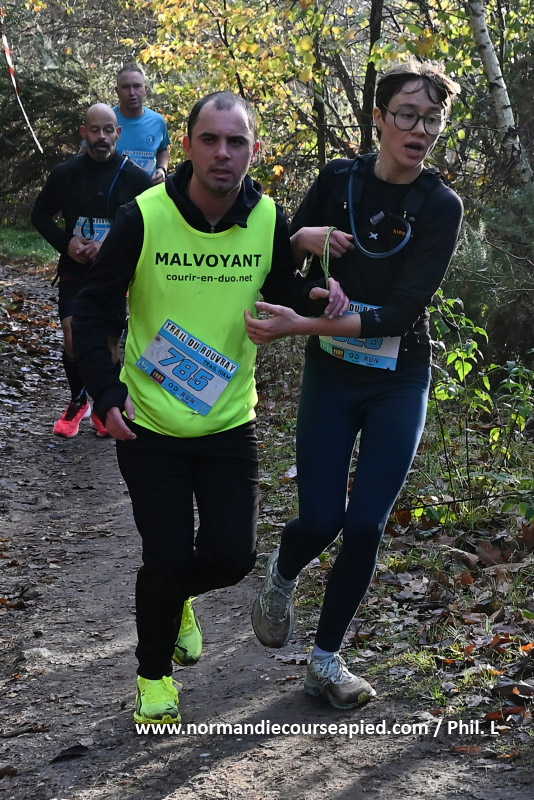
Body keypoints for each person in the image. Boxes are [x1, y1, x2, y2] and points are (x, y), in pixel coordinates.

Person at [71, 91, 345, 726]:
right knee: (167, 557)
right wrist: (106, 394)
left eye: (237, 141)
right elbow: (94, 309)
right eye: (211, 139)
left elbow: (279, 289)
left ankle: (176, 598)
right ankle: (153, 678)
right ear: (188, 146)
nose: (224, 153)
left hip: (229, 422)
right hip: (149, 424)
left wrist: (317, 293)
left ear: (255, 150)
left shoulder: (268, 218)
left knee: (232, 558)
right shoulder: (144, 215)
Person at [248, 59, 463, 710]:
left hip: (400, 376)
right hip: (334, 376)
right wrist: (300, 241)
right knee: (321, 519)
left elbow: (400, 313)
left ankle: (325, 660)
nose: (419, 130)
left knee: (366, 524)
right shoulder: (338, 181)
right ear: (378, 118)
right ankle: (284, 570)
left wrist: (305, 324)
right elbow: (278, 274)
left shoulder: (441, 206)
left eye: (432, 119)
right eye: (407, 115)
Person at [31, 103, 153, 439]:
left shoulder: (136, 178)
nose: (102, 137)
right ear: (84, 133)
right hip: (75, 269)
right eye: (95, 130)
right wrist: (67, 243)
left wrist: (111, 247)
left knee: (110, 345)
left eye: (108, 130)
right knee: (73, 336)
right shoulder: (66, 173)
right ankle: (78, 400)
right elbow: (40, 215)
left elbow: (153, 225)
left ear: (118, 133)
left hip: (114, 275)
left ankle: (105, 406)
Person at [114, 64, 171, 184]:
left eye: (136, 86)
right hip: (113, 191)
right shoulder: (107, 119)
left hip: (148, 190)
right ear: (117, 91)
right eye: (125, 87)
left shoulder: (157, 121)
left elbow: (163, 150)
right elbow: (86, 152)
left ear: (145, 89)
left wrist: (162, 169)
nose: (131, 92)